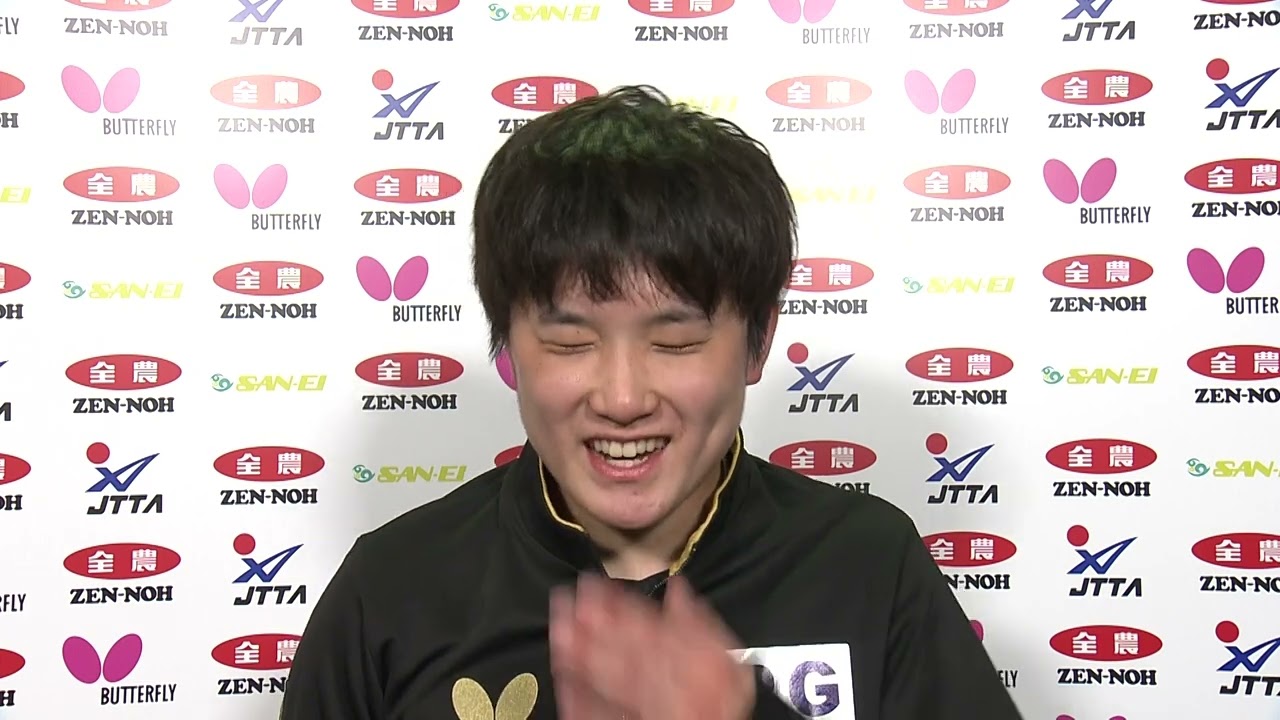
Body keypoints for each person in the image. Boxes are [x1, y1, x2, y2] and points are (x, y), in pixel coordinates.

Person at [280, 85, 1023, 720]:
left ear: (759, 341)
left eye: (675, 341)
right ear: (507, 345)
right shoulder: (393, 588)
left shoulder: (868, 564)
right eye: (571, 341)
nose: (623, 398)